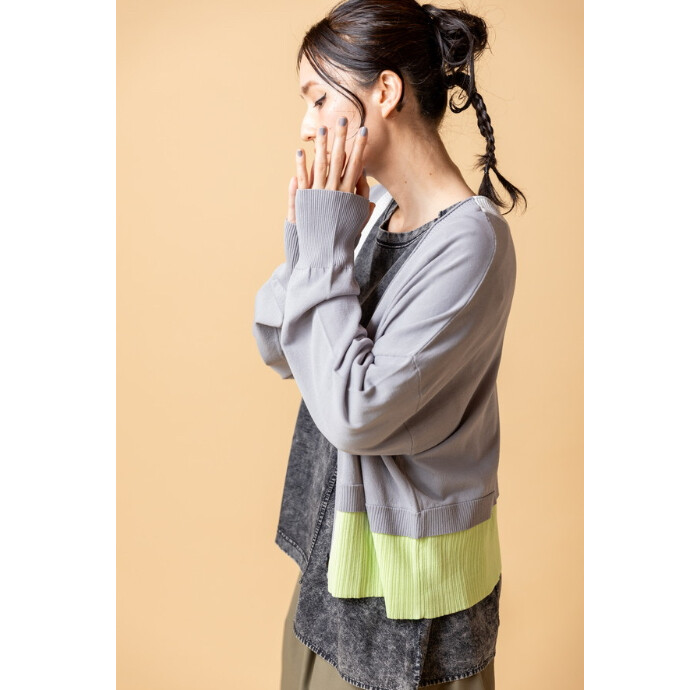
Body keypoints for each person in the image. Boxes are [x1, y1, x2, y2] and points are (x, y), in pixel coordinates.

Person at [251, 1, 526, 688]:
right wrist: (312, 238)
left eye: (319, 98)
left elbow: (354, 411)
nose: (307, 124)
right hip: (336, 563)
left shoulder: (472, 241)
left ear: (385, 91)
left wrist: (323, 249)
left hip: (411, 601)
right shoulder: (370, 214)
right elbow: (277, 341)